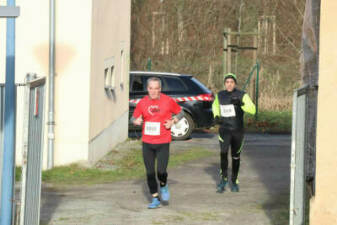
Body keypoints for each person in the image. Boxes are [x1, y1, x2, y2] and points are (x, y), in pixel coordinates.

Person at [131, 77, 184, 209]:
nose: (153, 91)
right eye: (151, 88)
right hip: (147, 142)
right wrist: (135, 121)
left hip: (163, 142)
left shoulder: (167, 101)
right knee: (149, 173)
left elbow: (180, 112)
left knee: (161, 171)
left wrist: (172, 122)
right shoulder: (142, 103)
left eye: (156, 88)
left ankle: (163, 185)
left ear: (160, 89)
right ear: (147, 89)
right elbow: (134, 117)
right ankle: (155, 198)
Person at [212, 73, 256, 193]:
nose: (229, 84)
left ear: (235, 83)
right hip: (224, 130)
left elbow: (253, 109)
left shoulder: (242, 95)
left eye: (231, 82)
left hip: (237, 131)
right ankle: (223, 180)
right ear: (224, 84)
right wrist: (216, 116)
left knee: (235, 157)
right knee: (223, 153)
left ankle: (234, 181)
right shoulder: (220, 95)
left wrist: (241, 104)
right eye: (227, 82)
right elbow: (215, 106)